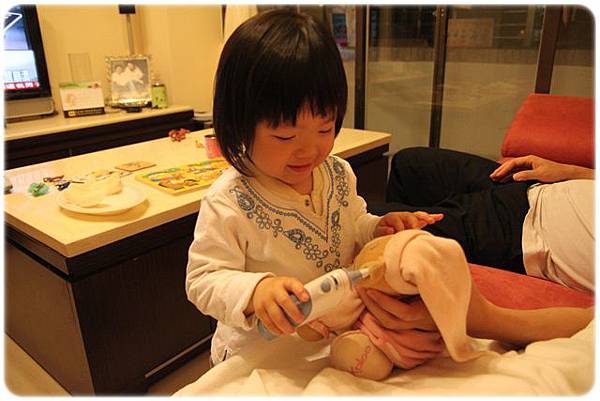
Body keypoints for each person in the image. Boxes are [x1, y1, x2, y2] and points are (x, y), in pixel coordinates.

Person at [185, 9, 442, 367]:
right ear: (239, 123)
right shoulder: (229, 200)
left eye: (325, 129)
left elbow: (354, 222)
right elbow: (203, 279)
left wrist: (377, 228)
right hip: (262, 355)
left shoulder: (337, 173)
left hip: (332, 336)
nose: (309, 150)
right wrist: (256, 290)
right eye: (285, 136)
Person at [370, 147, 594, 293]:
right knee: (410, 163)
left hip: (527, 232)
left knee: (375, 225)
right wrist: (572, 171)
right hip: (541, 187)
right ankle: (394, 281)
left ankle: (394, 273)